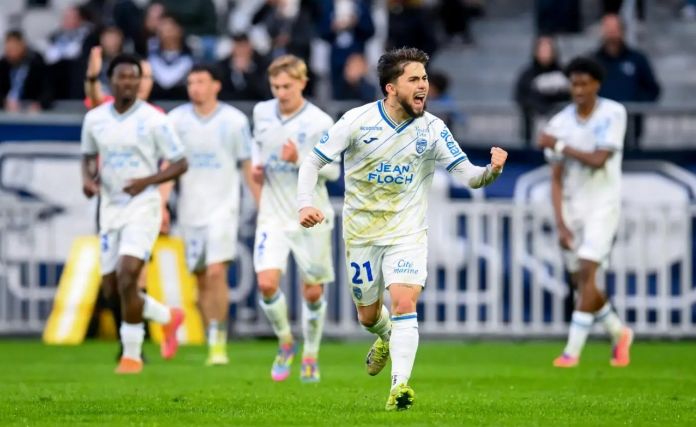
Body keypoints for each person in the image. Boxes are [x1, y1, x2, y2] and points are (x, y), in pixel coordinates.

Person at [296, 47, 507, 410]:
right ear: (391, 88)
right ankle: (385, 335)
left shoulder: (434, 129)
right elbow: (312, 162)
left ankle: (399, 388)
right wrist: (304, 203)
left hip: (407, 233)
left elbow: (469, 176)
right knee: (368, 316)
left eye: (424, 78)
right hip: (361, 235)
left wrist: (492, 171)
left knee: (404, 301)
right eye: (413, 79)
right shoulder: (356, 121)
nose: (423, 85)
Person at [80, 53, 189, 374]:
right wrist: (87, 180)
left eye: (133, 77)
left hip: (143, 206)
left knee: (129, 274)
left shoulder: (155, 120)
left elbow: (181, 162)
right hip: (109, 207)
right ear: (111, 81)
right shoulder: (95, 119)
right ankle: (167, 316)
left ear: (140, 82)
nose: (128, 82)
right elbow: (87, 155)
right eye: (122, 76)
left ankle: (131, 356)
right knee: (111, 288)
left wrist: (147, 181)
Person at [537, 56, 633, 368]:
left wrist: (559, 145)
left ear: (596, 84)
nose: (578, 90)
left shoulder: (613, 113)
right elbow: (555, 178)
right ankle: (619, 333)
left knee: (589, 273)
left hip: (602, 206)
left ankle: (571, 352)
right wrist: (561, 223)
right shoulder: (559, 123)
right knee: (583, 285)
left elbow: (599, 159)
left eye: (584, 83)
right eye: (574, 84)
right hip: (572, 209)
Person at [252, 54, 341, 383]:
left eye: (287, 86)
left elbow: (333, 171)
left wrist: (299, 159)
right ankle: (286, 341)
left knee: (312, 293)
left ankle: (311, 355)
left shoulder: (320, 122)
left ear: (303, 82)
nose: (280, 93)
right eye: (275, 86)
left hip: (310, 214)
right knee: (266, 284)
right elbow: (257, 146)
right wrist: (257, 167)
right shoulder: (262, 112)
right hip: (273, 214)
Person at [168, 64, 259, 366]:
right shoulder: (176, 121)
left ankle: (219, 344)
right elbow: (168, 168)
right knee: (200, 281)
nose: (194, 87)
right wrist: (160, 205)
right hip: (190, 211)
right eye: (191, 82)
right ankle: (211, 337)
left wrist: (262, 204)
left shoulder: (234, 121)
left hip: (223, 209)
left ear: (216, 85)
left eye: (200, 81)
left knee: (216, 272)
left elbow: (247, 166)